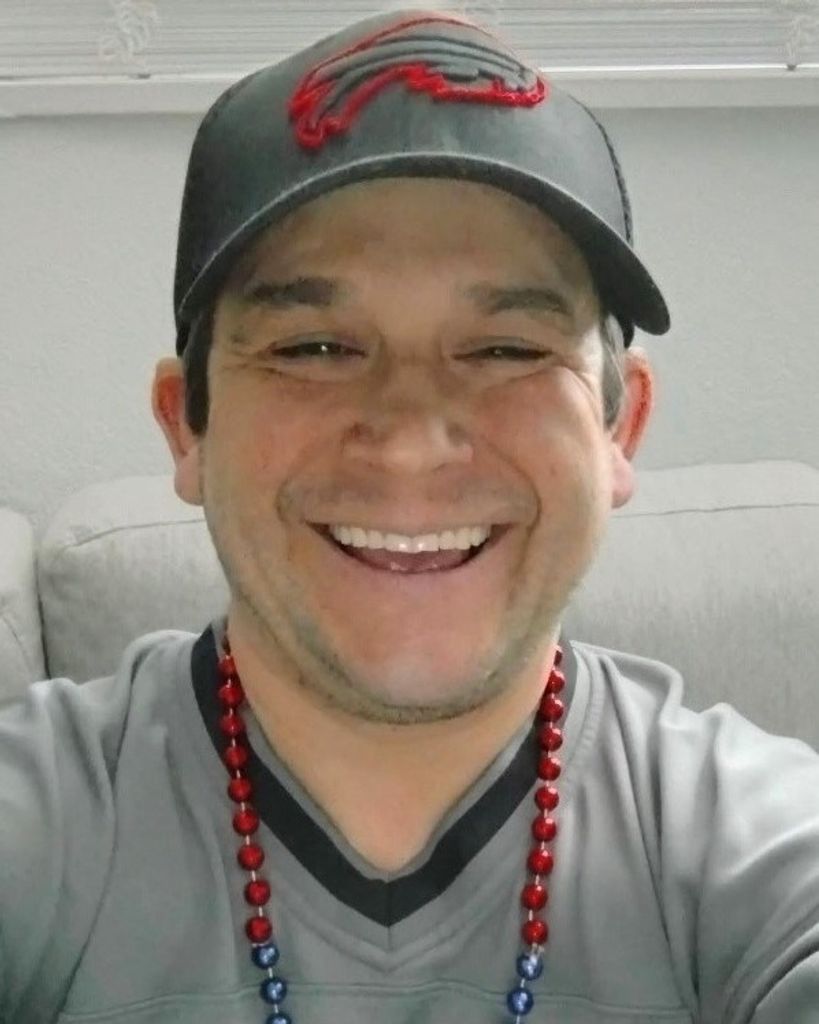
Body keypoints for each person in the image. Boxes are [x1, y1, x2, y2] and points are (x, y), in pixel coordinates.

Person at [1, 8, 818, 1023]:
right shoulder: (44, 825)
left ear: (620, 427)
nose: (410, 442)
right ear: (187, 428)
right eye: (313, 348)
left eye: (507, 349)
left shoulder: (753, 842)